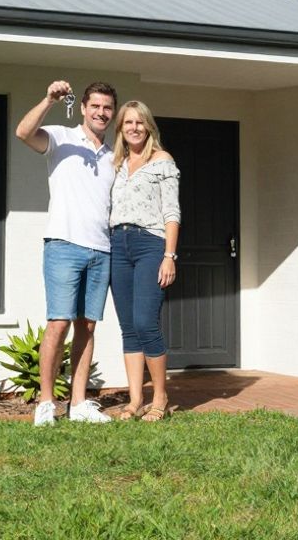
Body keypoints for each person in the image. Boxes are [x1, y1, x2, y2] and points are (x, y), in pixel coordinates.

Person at [15, 80, 118, 426]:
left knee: (87, 326)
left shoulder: (113, 155)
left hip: (101, 248)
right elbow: (23, 132)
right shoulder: (61, 137)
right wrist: (48, 99)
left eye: (107, 108)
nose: (101, 113)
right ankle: (46, 402)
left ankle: (78, 403)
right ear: (84, 108)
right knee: (58, 323)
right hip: (63, 244)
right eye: (96, 107)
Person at [108, 100, 181, 422]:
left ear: (149, 126)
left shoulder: (162, 161)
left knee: (145, 322)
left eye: (140, 122)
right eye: (128, 123)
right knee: (128, 328)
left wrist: (169, 256)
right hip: (116, 244)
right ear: (121, 129)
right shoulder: (116, 164)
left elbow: (171, 212)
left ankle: (160, 398)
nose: (134, 128)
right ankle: (135, 400)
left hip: (150, 244)